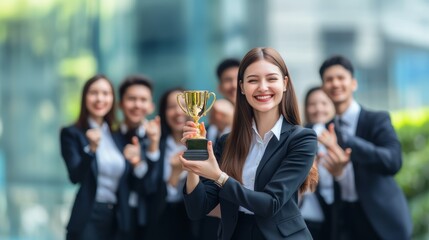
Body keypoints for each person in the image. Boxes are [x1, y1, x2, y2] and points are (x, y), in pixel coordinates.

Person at [180, 47, 318, 240]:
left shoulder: (302, 139)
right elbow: (197, 209)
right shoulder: (226, 142)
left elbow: (270, 204)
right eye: (253, 80)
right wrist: (195, 157)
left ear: (285, 83)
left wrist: (219, 177)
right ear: (242, 87)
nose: (262, 87)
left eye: (271, 79)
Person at [318, 55, 412, 240]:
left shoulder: (377, 119)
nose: (335, 84)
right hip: (344, 219)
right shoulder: (325, 130)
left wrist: (348, 140)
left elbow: (393, 162)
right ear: (323, 88)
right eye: (329, 80)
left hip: (381, 219)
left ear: (353, 83)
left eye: (340, 78)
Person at [60, 74, 131, 240]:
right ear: (85, 97)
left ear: (112, 99)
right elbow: (75, 176)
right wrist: (90, 150)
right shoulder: (72, 133)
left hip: (117, 217)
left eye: (106, 93)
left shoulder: (118, 135)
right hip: (89, 216)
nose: (100, 98)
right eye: (94, 93)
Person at [144, 88, 198, 240]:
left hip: (197, 223)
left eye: (183, 105)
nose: (178, 112)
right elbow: (150, 190)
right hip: (164, 221)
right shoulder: (156, 145)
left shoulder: (203, 140)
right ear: (163, 112)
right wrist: (174, 173)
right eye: (171, 107)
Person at [114, 75, 161, 239]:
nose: (137, 105)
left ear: (151, 106)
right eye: (131, 99)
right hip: (114, 221)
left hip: (150, 222)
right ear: (120, 104)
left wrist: (151, 148)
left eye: (143, 100)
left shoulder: (159, 138)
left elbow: (153, 184)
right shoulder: (109, 137)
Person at [299, 86, 336, 240]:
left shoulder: (343, 135)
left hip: (337, 213)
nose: (318, 108)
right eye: (312, 104)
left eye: (324, 103)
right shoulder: (298, 136)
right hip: (308, 212)